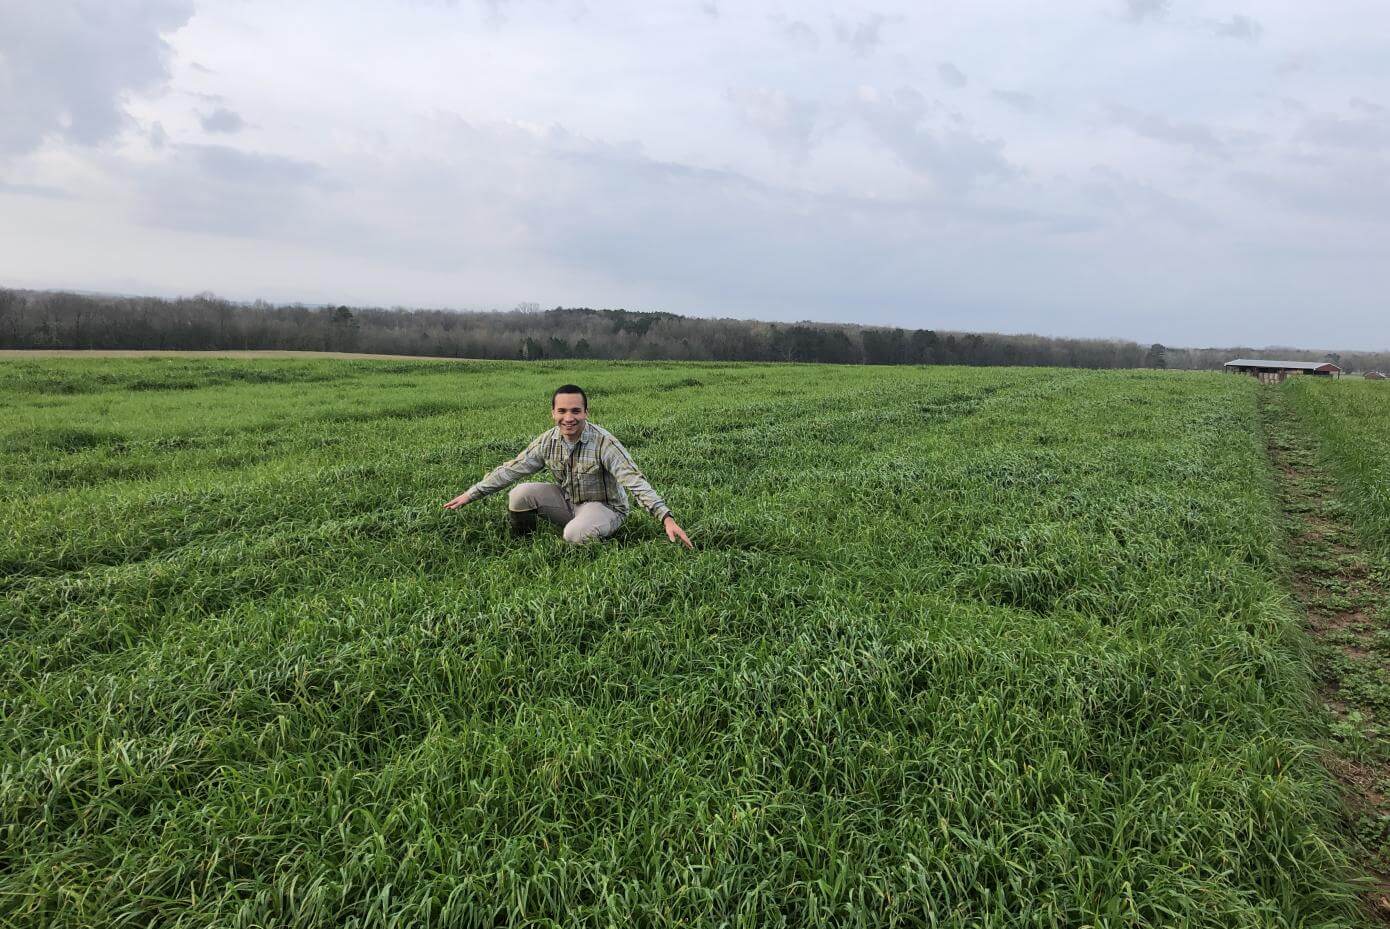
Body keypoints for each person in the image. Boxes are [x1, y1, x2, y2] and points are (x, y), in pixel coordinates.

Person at [444, 384, 693, 548]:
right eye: (562, 411)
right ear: (553, 413)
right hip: (568, 500)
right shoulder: (548, 441)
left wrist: (666, 518)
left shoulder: (604, 443)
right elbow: (512, 468)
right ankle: (522, 543)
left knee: (574, 536)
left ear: (586, 412)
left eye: (576, 411)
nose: (569, 417)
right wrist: (471, 494)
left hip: (605, 507)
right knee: (518, 494)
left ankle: (593, 536)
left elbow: (635, 481)